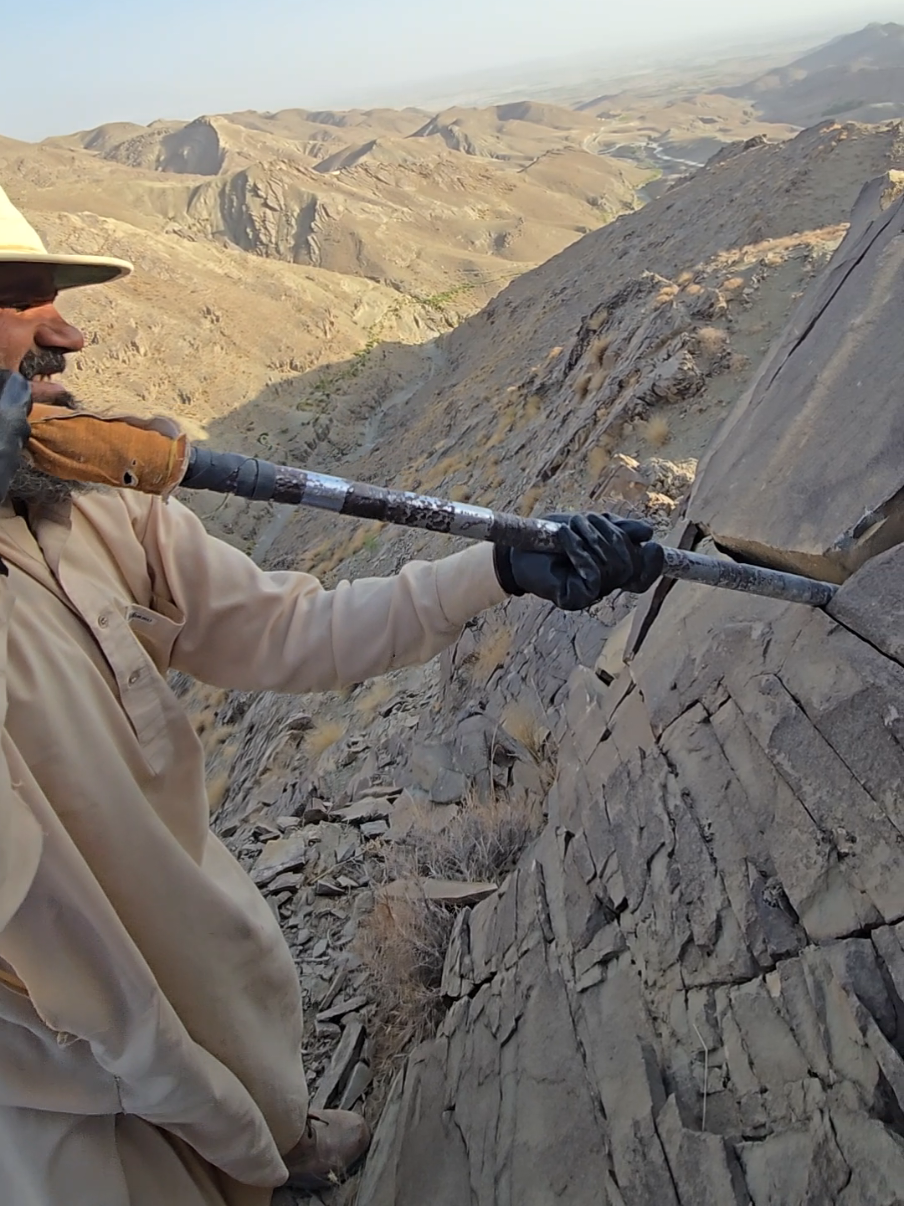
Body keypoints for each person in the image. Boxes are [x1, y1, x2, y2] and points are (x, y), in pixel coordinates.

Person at [0, 183, 664, 1206]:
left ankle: (276, 1140)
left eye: (52, 295)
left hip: (207, 990)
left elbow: (283, 627)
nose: (67, 335)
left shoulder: (83, 508)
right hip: (74, 1105)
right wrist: (189, 1108)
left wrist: (497, 569)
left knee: (254, 1089)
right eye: (14, 298)